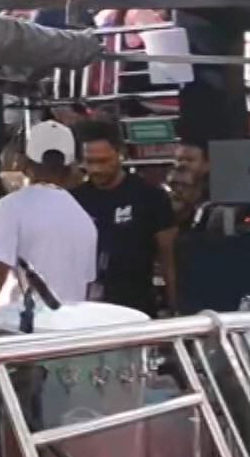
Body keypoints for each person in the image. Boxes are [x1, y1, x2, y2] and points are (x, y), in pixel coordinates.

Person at [0, 147, 99, 330]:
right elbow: (89, 288)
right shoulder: (84, 219)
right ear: (69, 170)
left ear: (25, 166)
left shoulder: (12, 206)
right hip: (69, 334)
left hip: (21, 332)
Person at [70, 119, 178, 315]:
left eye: (103, 161)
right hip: (86, 310)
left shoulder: (150, 197)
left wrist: (175, 308)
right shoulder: (74, 200)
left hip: (136, 307)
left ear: (121, 154)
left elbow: (169, 258)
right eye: (89, 162)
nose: (96, 169)